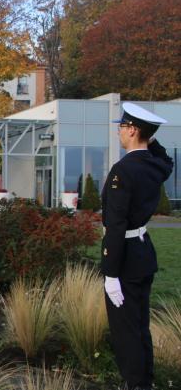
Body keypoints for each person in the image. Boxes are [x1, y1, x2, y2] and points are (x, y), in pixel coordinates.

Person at [102, 103, 173, 390]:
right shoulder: (154, 166)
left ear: (132, 130)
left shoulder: (123, 170)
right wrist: (149, 138)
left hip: (126, 259)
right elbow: (166, 160)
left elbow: (116, 225)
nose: (119, 132)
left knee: (126, 331)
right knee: (141, 326)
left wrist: (110, 273)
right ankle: (145, 381)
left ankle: (136, 384)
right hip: (143, 253)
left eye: (122, 127)